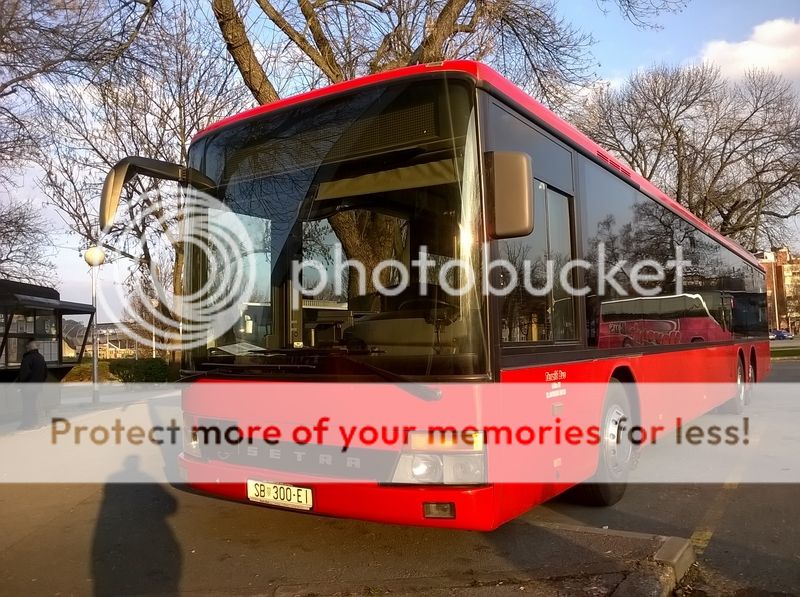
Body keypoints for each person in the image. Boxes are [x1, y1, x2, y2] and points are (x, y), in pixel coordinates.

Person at [18, 338, 48, 429]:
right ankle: (34, 423)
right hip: (37, 387)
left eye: (26, 346)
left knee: (27, 406)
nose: (26, 347)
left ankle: (27, 424)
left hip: (27, 387)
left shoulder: (27, 358)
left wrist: (20, 384)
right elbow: (45, 373)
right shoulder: (41, 357)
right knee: (33, 404)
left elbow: (24, 374)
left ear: (29, 347)